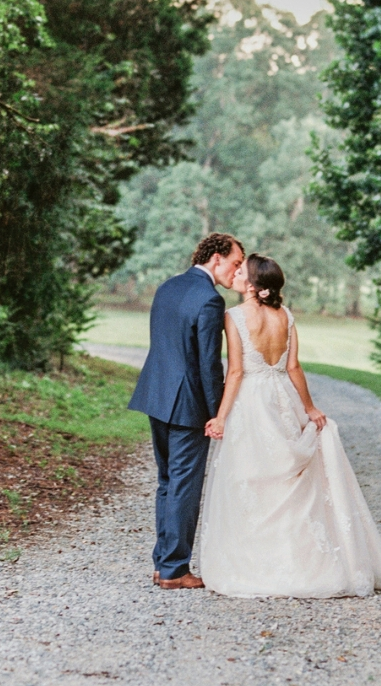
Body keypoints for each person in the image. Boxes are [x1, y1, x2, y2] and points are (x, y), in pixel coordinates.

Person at [196, 253, 381, 598]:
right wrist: (309, 407)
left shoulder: (234, 317)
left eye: (243, 272)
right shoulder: (286, 316)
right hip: (283, 399)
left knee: (252, 478)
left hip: (251, 402)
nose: (238, 274)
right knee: (291, 480)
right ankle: (299, 560)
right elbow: (294, 368)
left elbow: (237, 372)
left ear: (257, 287)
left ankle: (260, 563)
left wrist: (221, 416)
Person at [127, 232, 245, 589]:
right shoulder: (210, 299)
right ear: (217, 258)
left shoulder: (168, 286)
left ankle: (163, 564)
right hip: (188, 404)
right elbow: (209, 365)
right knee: (184, 486)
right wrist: (217, 413)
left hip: (155, 395)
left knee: (167, 481)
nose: (237, 271)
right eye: (236, 263)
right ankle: (176, 570)